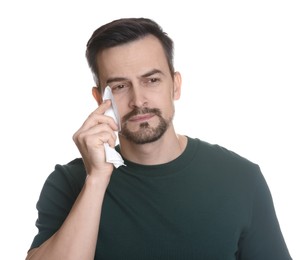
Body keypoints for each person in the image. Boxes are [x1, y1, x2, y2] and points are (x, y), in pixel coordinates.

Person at [26, 18, 292, 260]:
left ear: (175, 85)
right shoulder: (69, 182)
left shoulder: (241, 178)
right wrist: (96, 180)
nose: (138, 100)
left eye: (151, 80)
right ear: (100, 100)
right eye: (119, 86)